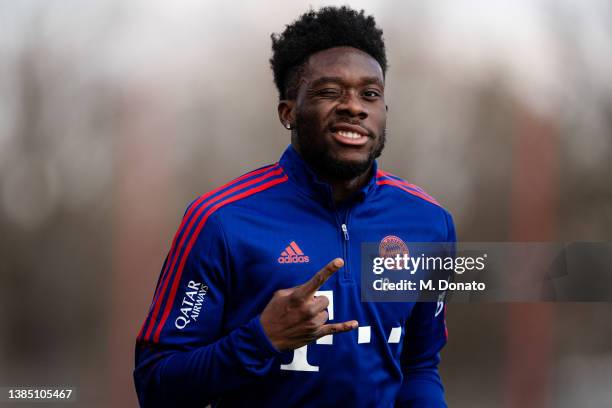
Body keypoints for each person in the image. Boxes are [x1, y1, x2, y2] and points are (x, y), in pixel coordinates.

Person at [134, 6, 456, 408]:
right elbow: (155, 383)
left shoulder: (428, 223)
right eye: (328, 92)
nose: (354, 106)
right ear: (288, 112)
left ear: (383, 113)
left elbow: (419, 366)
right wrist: (261, 339)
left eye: (369, 94)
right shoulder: (221, 221)